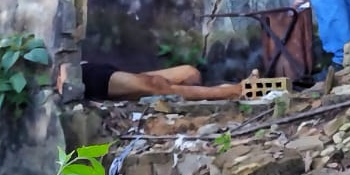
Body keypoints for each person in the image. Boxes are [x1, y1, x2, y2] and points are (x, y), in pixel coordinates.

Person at [74, 61, 249, 102]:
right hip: (86, 79)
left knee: (190, 73)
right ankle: (234, 90)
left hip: (87, 66)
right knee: (155, 85)